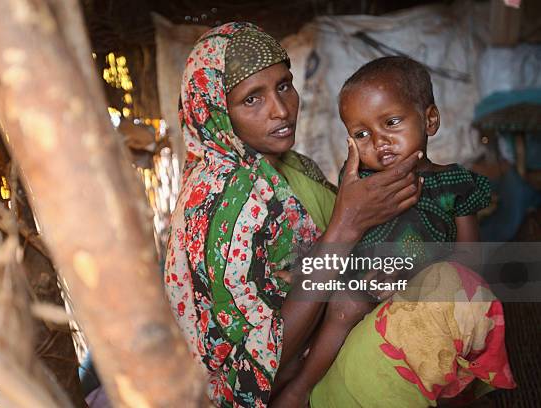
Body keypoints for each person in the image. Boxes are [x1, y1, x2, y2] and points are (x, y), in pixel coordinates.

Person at [164, 23, 512, 408]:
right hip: (281, 387)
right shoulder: (216, 205)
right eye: (251, 100)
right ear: (213, 110)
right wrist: (347, 225)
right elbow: (254, 373)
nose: (280, 110)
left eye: (283, 85)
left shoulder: (292, 167)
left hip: (343, 336)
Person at [275, 56, 516, 407]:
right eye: (361, 134)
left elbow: (468, 261)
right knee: (342, 306)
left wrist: (416, 287)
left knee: (443, 346)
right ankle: (300, 386)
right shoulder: (361, 183)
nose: (379, 141)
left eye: (391, 122)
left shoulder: (455, 183)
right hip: (366, 276)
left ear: (429, 120)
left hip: (420, 291)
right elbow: (342, 237)